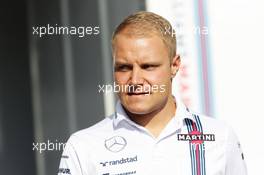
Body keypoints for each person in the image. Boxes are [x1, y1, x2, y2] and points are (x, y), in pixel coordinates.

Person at [58, 11, 247, 175]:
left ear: (174, 66)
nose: (135, 80)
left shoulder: (219, 137)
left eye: (148, 66)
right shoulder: (82, 146)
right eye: (124, 68)